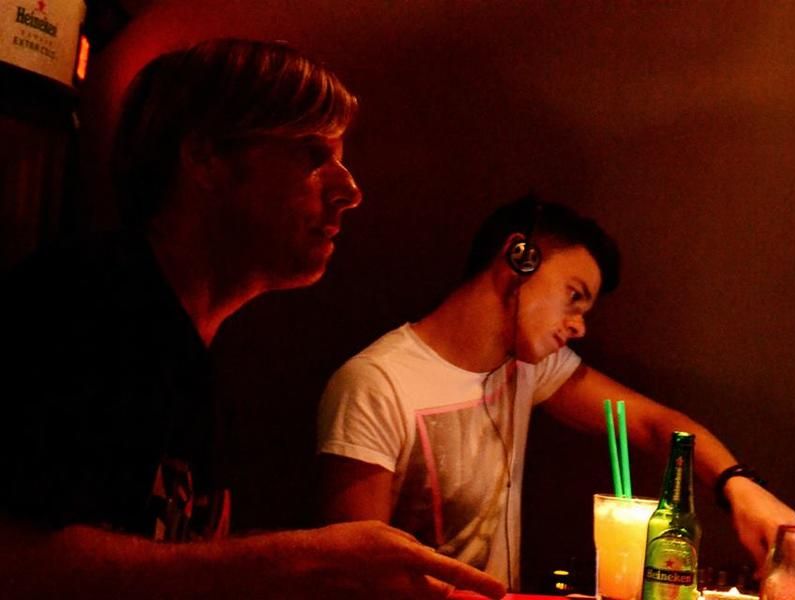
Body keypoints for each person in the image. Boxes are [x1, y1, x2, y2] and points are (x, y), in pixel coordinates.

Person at [0, 38, 505, 600]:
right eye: (312, 155)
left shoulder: (190, 346)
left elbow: (161, 552)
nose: (350, 190)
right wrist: (301, 562)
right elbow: (13, 561)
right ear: (206, 159)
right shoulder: (80, 307)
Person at [317, 195, 795, 589]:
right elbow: (356, 573)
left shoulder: (530, 366)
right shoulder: (376, 384)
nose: (578, 326)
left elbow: (654, 425)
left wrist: (739, 486)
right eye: (574, 297)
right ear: (519, 257)